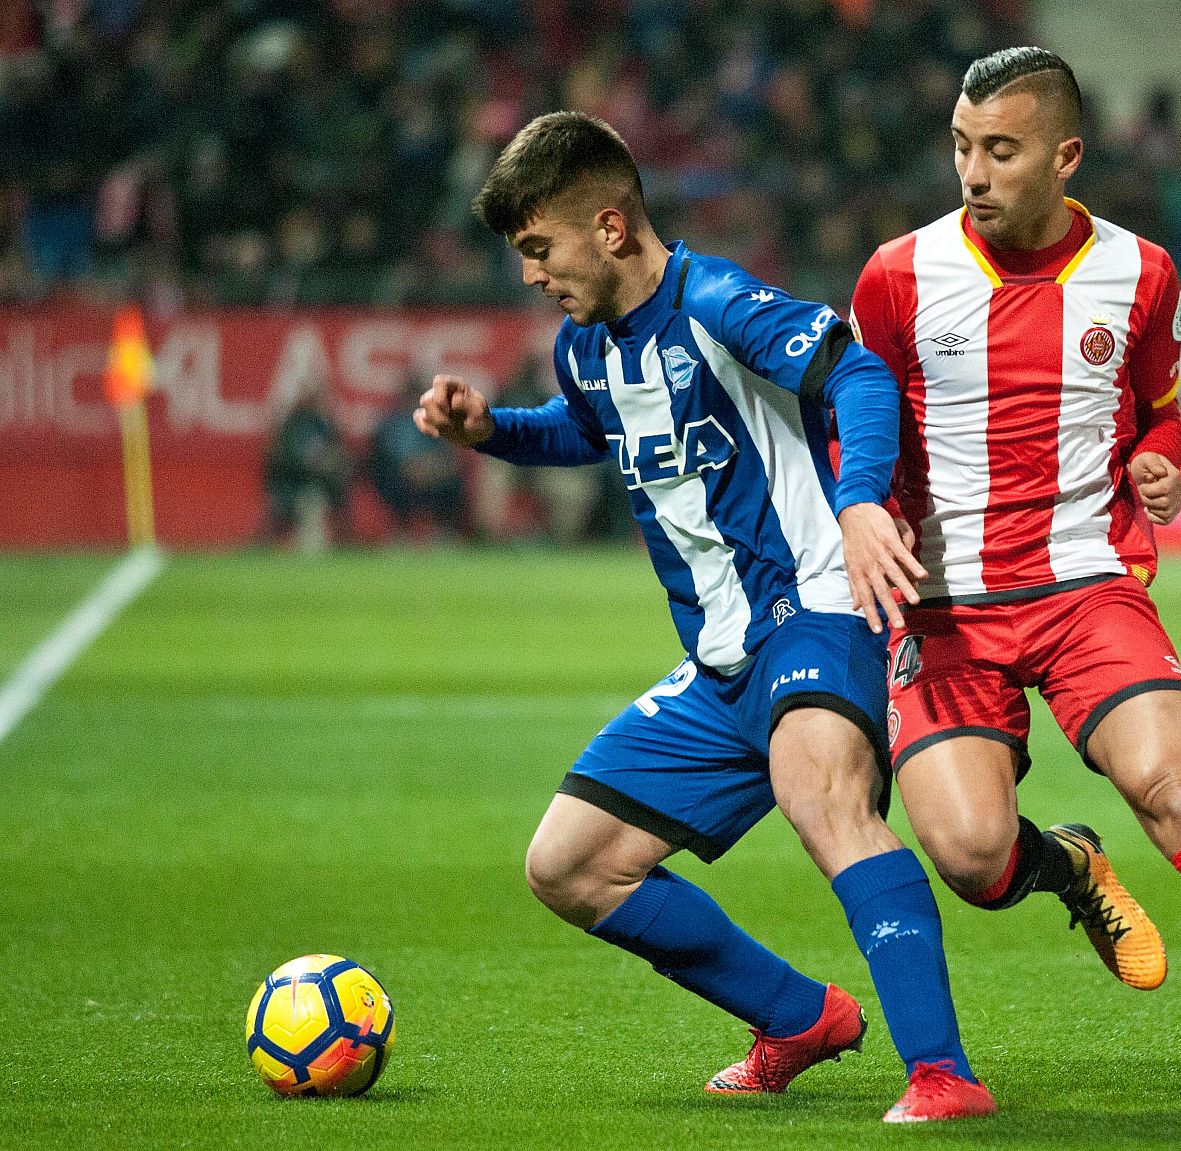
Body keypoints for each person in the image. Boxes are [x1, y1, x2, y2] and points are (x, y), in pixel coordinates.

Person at [414, 111, 996, 1123]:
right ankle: (798, 1017)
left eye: (536, 248)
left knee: (821, 795)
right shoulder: (583, 349)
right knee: (568, 863)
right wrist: (492, 431)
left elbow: (854, 369)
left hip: (815, 608)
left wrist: (859, 500)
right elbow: (586, 430)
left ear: (607, 226)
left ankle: (942, 1071)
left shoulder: (717, 300)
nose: (529, 274)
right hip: (721, 662)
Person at [848, 48, 1181, 1128]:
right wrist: (864, 513)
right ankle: (1067, 863)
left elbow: (1158, 407)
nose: (972, 171)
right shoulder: (896, 275)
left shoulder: (1142, 272)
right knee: (971, 855)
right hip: (945, 604)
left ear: (1064, 155)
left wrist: (1160, 459)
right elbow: (860, 422)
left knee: (1178, 784)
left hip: (1087, 585)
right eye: (960, 146)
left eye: (999, 150)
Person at [369, 376, 475, 543]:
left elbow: (447, 458)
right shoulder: (394, 425)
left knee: (452, 483)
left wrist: (431, 469)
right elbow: (389, 459)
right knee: (394, 482)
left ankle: (445, 534)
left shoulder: (438, 423)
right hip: (401, 478)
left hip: (433, 476)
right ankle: (401, 534)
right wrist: (415, 469)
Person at [259, 378, 352, 549]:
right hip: (293, 483)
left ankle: (323, 541)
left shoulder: (324, 425)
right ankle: (297, 541)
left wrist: (330, 463)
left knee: (320, 495)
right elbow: (282, 460)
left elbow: (337, 454)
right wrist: (310, 465)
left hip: (321, 484)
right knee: (310, 499)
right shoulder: (291, 425)